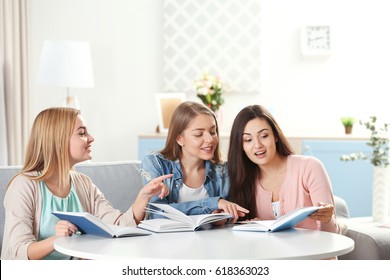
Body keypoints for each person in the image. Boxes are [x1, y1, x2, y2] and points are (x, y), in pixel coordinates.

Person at [1, 107, 172, 260]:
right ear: (58, 140)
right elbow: (18, 252)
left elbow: (116, 226)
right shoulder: (24, 186)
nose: (91, 138)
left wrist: (143, 196)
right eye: (82, 133)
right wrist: (57, 240)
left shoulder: (83, 183)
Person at [227, 105, 340, 233]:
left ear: (275, 136)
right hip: (273, 253)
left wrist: (327, 219)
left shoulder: (310, 167)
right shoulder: (244, 181)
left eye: (264, 136)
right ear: (241, 146)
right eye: (248, 139)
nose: (257, 145)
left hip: (314, 252)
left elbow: (333, 234)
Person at [140, 101, 248, 223]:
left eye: (213, 132)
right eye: (198, 134)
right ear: (179, 139)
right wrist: (212, 204)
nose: (210, 139)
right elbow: (158, 214)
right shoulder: (155, 164)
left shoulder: (223, 171)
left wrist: (223, 217)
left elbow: (233, 214)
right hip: (167, 240)